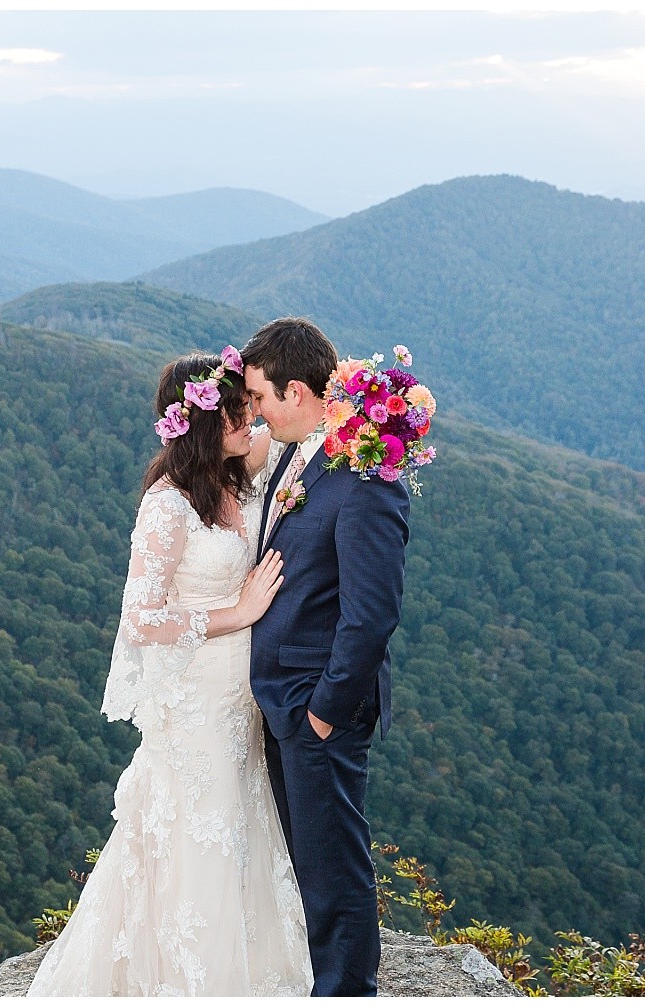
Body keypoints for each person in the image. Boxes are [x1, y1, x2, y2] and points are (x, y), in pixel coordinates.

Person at [26, 349, 312, 996]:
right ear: (206, 424)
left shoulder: (234, 475)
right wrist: (236, 611)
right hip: (196, 702)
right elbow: (141, 619)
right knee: (198, 833)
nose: (251, 419)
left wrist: (366, 395)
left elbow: (304, 424)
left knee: (239, 822)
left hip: (241, 701)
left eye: (250, 405)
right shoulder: (168, 504)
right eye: (239, 411)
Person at [244, 317, 411, 997]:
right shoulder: (296, 452)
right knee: (301, 860)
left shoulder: (367, 479)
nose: (254, 411)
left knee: (334, 865)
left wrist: (323, 712)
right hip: (282, 700)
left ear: (294, 390)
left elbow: (371, 615)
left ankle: (346, 989)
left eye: (259, 397)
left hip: (319, 705)